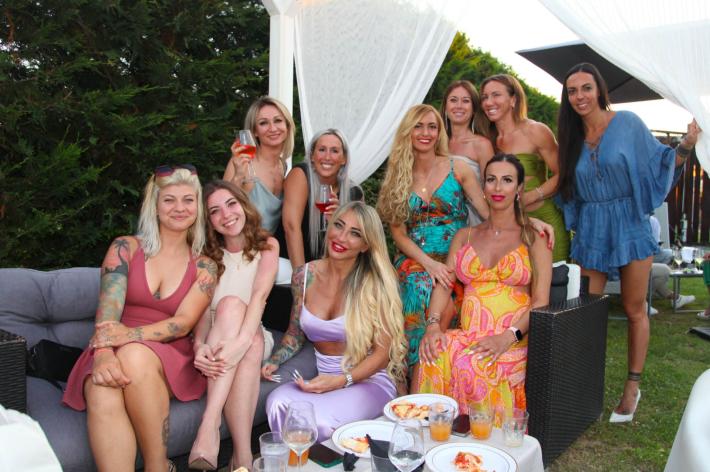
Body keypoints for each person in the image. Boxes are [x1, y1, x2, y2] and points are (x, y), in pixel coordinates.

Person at [555, 62, 701, 423]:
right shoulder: (569, 138)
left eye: (586, 88)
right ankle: (582, 386)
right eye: (572, 91)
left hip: (630, 224)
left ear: (599, 90)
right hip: (591, 228)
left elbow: (660, 162)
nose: (579, 96)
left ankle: (632, 386)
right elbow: (566, 189)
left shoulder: (628, 124)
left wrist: (685, 145)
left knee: (635, 308)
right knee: (585, 311)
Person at [62, 165, 217, 472]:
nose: (179, 208)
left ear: (197, 207)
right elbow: (108, 311)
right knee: (102, 389)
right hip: (111, 345)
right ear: (154, 206)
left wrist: (130, 336)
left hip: (168, 354)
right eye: (169, 199)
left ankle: (157, 466)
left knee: (134, 355)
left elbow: (183, 323)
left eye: (188, 200)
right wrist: (103, 354)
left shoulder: (205, 266)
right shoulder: (125, 248)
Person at [416, 154, 551, 420]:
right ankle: (437, 434)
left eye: (507, 180)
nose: (498, 187)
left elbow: (540, 302)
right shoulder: (464, 236)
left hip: (511, 340)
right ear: (483, 187)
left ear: (519, 188)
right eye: (491, 180)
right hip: (470, 336)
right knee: (432, 355)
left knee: (472, 365)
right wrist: (432, 325)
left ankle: (485, 438)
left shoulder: (534, 236)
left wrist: (508, 337)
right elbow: (444, 285)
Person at [262, 202, 407, 442]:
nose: (341, 237)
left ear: (366, 245)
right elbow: (295, 333)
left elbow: (383, 354)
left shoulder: (376, 282)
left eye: (355, 233)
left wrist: (342, 380)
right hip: (324, 379)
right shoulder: (304, 276)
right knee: (277, 402)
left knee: (317, 420)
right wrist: (274, 361)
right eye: (338, 225)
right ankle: (296, 461)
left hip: (368, 381)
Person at [376, 104, 489, 379]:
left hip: (455, 257)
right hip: (416, 259)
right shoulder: (398, 176)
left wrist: (525, 224)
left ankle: (428, 374)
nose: (425, 133)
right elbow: (399, 235)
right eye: (418, 126)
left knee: (444, 285)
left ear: (439, 132)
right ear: (408, 131)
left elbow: (488, 213)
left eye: (432, 126)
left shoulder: (457, 167)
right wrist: (428, 264)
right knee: (420, 284)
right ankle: (411, 372)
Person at [188, 181, 279, 471]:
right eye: (215, 211)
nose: (226, 215)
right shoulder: (205, 257)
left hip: (253, 329)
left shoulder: (267, 245)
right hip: (217, 337)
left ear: (243, 205)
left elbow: (259, 296)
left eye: (231, 204)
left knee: (234, 309)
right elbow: (202, 311)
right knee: (228, 309)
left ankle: (209, 425)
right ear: (209, 221)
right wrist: (198, 345)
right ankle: (242, 458)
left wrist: (241, 341)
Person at [480, 74, 570, 262]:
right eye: (484, 97)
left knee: (553, 279)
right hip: (508, 228)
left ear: (513, 100)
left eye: (496, 95)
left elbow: (563, 174)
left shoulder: (535, 131)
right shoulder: (487, 140)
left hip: (545, 224)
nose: (488, 102)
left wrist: (531, 196)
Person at [282, 129, 363, 268]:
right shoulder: (301, 175)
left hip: (328, 268)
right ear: (312, 156)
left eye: (334, 151)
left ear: (344, 159)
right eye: (322, 150)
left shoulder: (354, 193)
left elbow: (358, 241)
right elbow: (291, 227)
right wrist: (302, 275)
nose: (327, 157)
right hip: (290, 264)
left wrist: (338, 219)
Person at [224, 96, 295, 238]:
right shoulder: (242, 162)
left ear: (287, 126)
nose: (273, 128)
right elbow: (221, 206)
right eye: (263, 123)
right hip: (241, 246)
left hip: (269, 248)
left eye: (278, 120)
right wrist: (238, 176)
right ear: (254, 131)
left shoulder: (282, 165)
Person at [440, 80, 495, 225]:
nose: (459, 105)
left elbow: (492, 190)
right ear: (445, 107)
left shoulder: (482, 145)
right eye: (453, 100)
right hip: (437, 220)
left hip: (472, 220)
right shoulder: (436, 143)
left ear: (474, 109)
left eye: (465, 101)